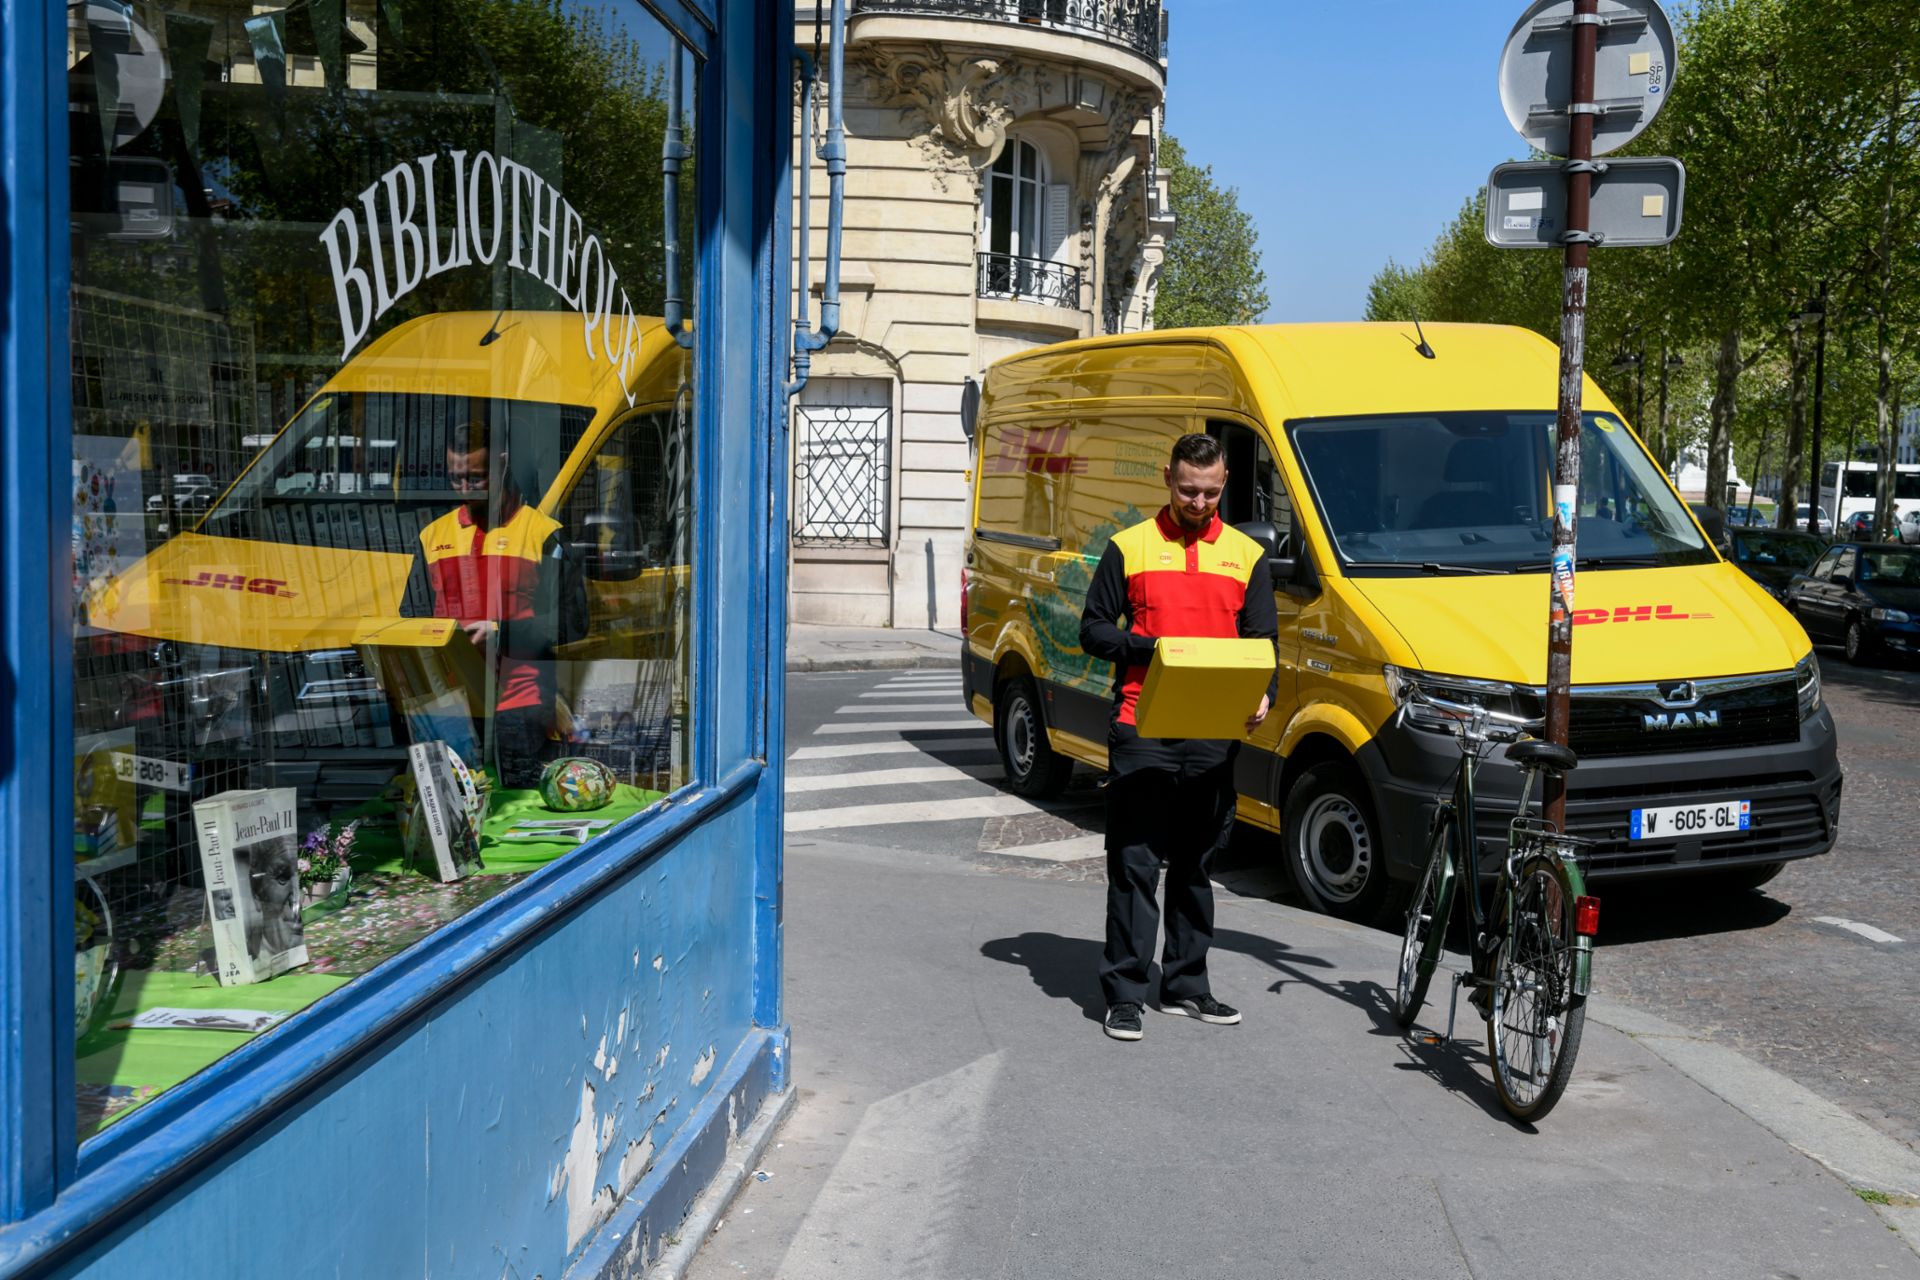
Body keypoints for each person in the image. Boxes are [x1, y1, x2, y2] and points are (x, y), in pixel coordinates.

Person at [1079, 433, 1279, 1042]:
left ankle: (1187, 985)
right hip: (1143, 723)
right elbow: (1092, 630)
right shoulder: (1129, 547)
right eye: (1188, 490)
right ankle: (1125, 994)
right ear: (1167, 476)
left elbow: (1264, 642)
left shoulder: (1247, 555)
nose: (1199, 502)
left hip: (1215, 731)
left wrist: (1264, 694)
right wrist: (1153, 650)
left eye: (1212, 492)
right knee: (1136, 865)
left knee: (1196, 866)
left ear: (1224, 483)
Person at [403, 407, 589, 788]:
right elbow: (413, 618)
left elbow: (571, 622)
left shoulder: (543, 534)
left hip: (519, 706)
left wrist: (502, 634)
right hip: (450, 707)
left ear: (502, 464)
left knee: (518, 805)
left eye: (475, 477)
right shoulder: (431, 537)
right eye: (456, 477)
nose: (465, 486)